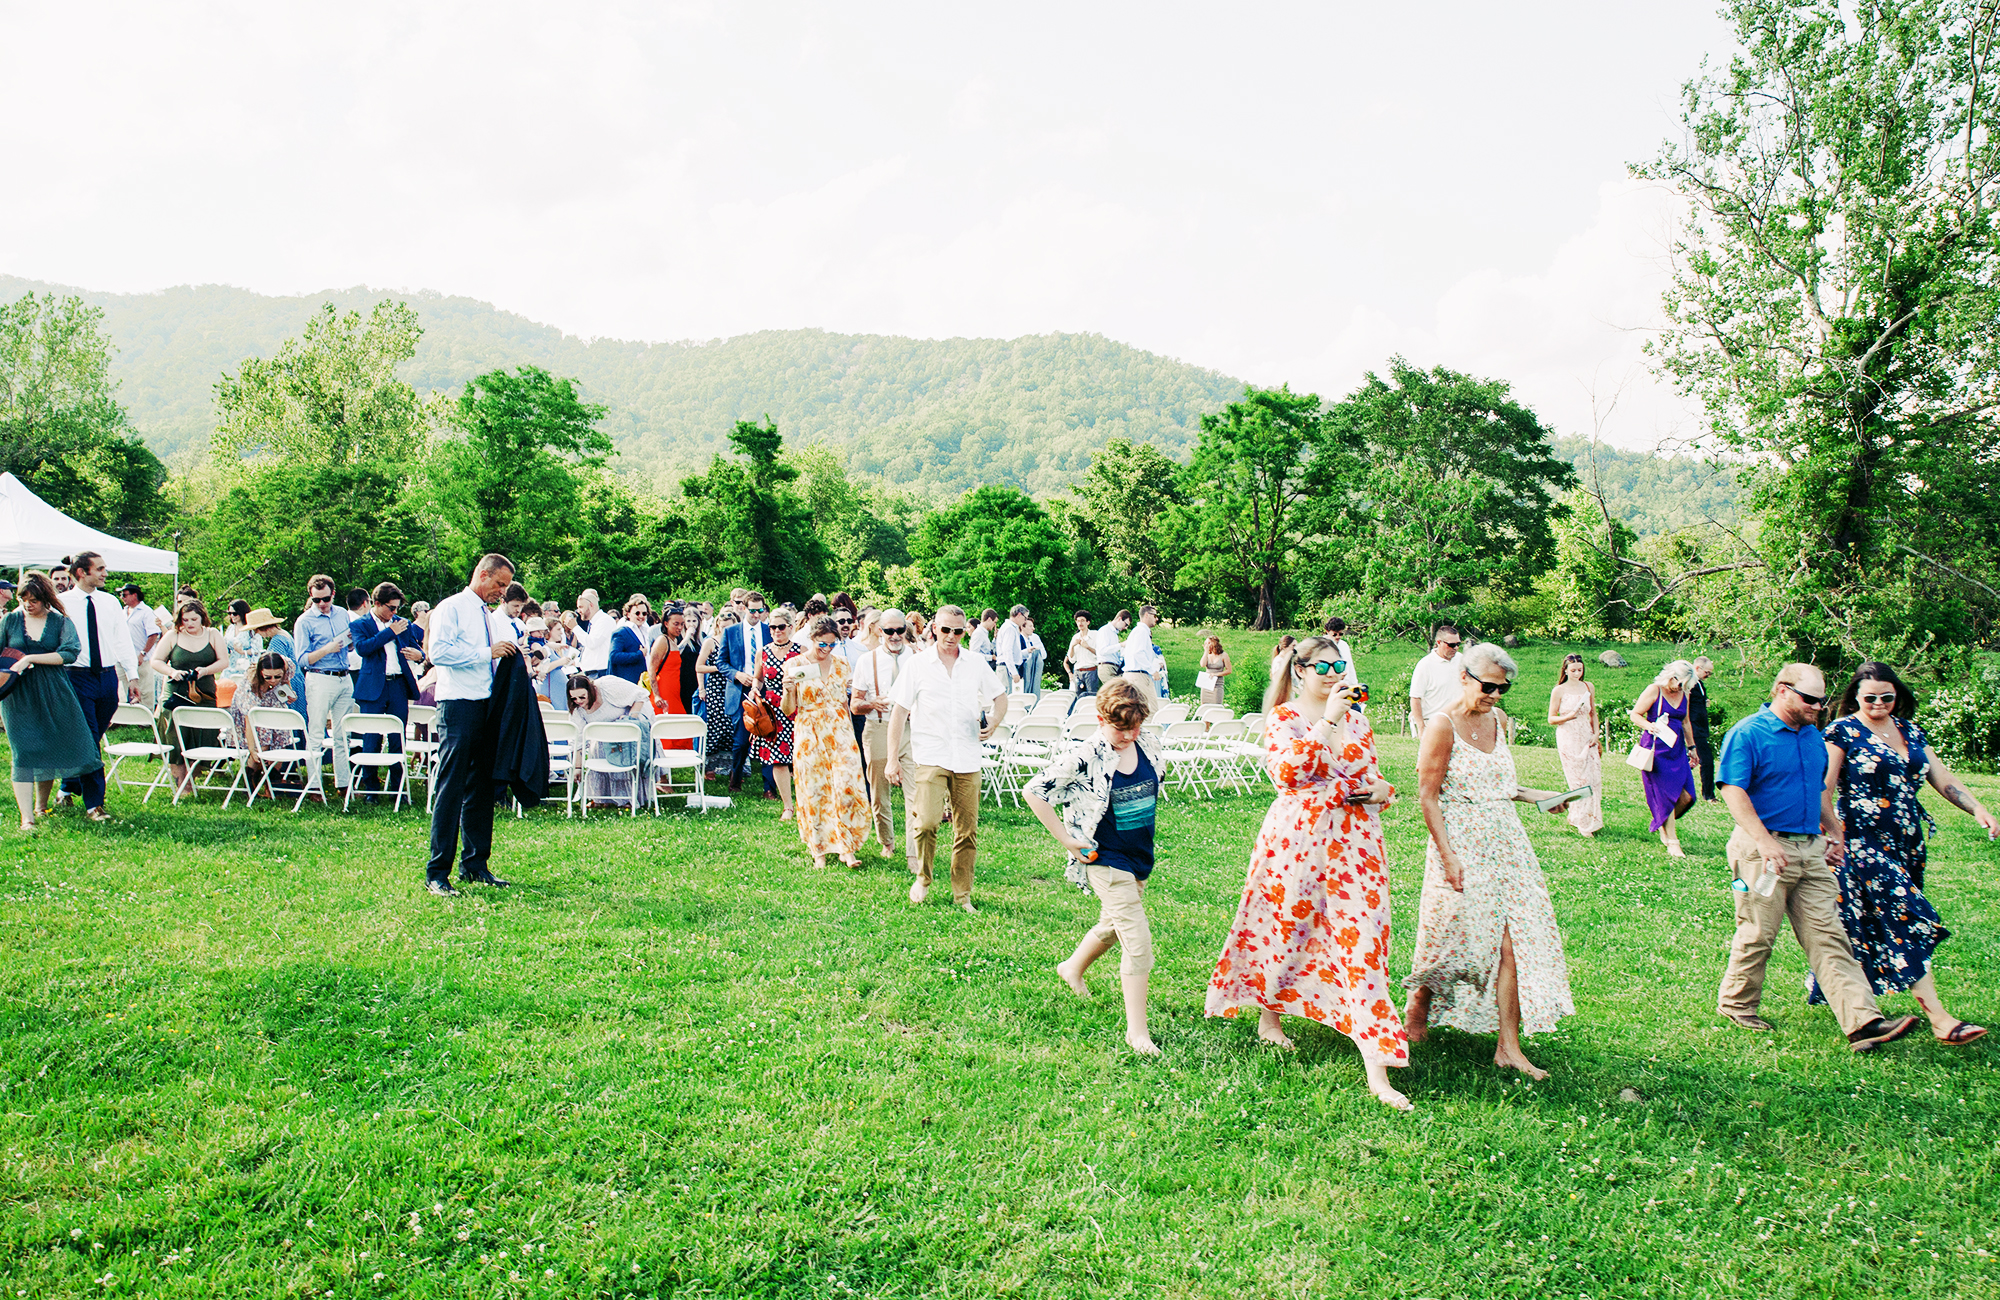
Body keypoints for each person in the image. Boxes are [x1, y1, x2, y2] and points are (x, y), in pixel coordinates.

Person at [1205, 638, 1406, 1104]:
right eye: (1324, 666)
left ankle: (1377, 1068)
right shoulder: (1285, 717)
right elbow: (1287, 774)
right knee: (1287, 929)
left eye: (1340, 665)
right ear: (1300, 670)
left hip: (1355, 846)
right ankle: (1269, 1018)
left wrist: (1382, 790)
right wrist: (1328, 720)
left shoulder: (1358, 719)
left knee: (1364, 943)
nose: (1334, 674)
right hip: (1297, 843)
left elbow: (1370, 774)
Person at [1713, 663, 1920, 1050]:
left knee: (1830, 935)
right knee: (1758, 933)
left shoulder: (1811, 737)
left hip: (1810, 850)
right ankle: (1736, 1005)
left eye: (1822, 700)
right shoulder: (1749, 733)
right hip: (1762, 851)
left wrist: (1835, 833)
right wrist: (1765, 842)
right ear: (1782, 690)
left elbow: (1820, 791)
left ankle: (1863, 1022)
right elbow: (1732, 790)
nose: (1818, 707)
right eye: (1810, 699)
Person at [1403, 642, 1578, 1080]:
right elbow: (1427, 796)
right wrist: (1448, 856)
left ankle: (1508, 1048)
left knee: (1513, 942)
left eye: (1503, 689)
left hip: (1508, 845)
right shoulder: (1441, 725)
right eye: (1488, 687)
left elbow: (1503, 785)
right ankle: (1418, 1002)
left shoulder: (1498, 720)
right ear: (1464, 677)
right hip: (1460, 843)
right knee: (1449, 934)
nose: (1495, 696)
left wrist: (1541, 796)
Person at [1820, 663, 1997, 1044]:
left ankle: (1851, 1002)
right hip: (1860, 843)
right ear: (1855, 697)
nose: (1879, 703)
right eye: (1870, 697)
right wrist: (1833, 834)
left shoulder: (1910, 730)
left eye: (1887, 696)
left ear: (1897, 695)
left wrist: (1977, 808)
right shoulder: (1841, 732)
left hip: (1906, 844)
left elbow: (1942, 778)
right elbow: (1824, 789)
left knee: (1866, 922)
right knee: (1906, 917)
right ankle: (1940, 1019)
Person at [1025, 678, 1170, 1057]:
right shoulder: (1086, 754)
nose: (1130, 735)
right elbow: (1035, 791)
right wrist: (1066, 839)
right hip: (1105, 859)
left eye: (1136, 726)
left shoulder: (1147, 744)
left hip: (1139, 857)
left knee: (1111, 926)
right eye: (1121, 728)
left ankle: (1072, 967)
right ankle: (1137, 1033)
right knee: (1137, 943)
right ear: (1101, 718)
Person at [886, 604, 1009, 913]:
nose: (951, 636)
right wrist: (892, 759)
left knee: (967, 831)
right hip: (931, 754)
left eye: (957, 631)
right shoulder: (917, 665)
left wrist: (994, 721)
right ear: (934, 629)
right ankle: (923, 877)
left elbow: (1000, 696)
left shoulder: (976, 663)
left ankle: (962, 894)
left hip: (967, 756)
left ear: (964, 632)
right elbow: (899, 712)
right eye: (945, 630)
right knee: (926, 822)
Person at [425, 554, 521, 897]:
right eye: (499, 584)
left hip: (485, 705)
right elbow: (438, 653)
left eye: (505, 586)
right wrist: (486, 652)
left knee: (481, 788)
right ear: (482, 574)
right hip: (458, 705)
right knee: (451, 787)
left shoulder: (488, 615)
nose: (502, 591)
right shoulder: (451, 608)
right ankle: (437, 872)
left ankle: (475, 864)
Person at [3, 573, 102, 831]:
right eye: (23, 599)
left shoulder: (60, 621)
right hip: (17, 695)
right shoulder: (10, 620)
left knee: (46, 746)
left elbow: (69, 653)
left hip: (53, 691)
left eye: (33, 600)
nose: (28, 604)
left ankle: (41, 806)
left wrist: (31, 658)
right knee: (23, 752)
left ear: (45, 598)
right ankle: (27, 818)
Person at [783, 615, 871, 869]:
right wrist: (788, 690)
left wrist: (851, 736)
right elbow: (788, 709)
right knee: (815, 789)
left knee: (846, 786)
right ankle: (818, 849)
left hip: (840, 731)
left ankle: (846, 846)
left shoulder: (842, 664)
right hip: (809, 732)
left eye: (832, 644)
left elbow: (844, 702)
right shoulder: (795, 665)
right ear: (812, 638)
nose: (827, 649)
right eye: (822, 644)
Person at [55, 552, 136, 820]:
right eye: (100, 569)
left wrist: (132, 676)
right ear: (81, 572)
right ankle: (94, 804)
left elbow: (122, 639)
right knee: (89, 738)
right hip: (76, 677)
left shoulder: (110, 602)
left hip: (107, 677)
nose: (105, 574)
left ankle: (67, 786)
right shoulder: (61, 603)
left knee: (91, 738)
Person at [853, 608, 915, 863]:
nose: (895, 635)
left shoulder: (917, 657)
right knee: (879, 793)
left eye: (899, 630)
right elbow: (855, 705)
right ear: (880, 631)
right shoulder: (867, 661)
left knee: (915, 793)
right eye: (889, 631)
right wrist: (871, 704)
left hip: (911, 731)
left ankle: (913, 852)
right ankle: (887, 841)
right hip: (878, 727)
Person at [351, 582, 423, 798]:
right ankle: (371, 789)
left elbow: (417, 648)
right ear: (377, 603)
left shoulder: (402, 623)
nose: (394, 612)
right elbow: (363, 648)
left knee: (397, 737)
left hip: (398, 684)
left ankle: (397, 788)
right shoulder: (360, 624)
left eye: (397, 608)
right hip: (373, 686)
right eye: (391, 608)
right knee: (371, 737)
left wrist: (420, 656)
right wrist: (389, 632)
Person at [151, 599, 228, 797]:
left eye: (194, 619)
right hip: (176, 691)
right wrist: (172, 671)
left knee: (202, 732)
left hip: (204, 692)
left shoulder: (213, 634)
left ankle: (191, 778)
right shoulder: (173, 635)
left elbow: (224, 661)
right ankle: (181, 783)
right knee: (176, 735)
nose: (190, 623)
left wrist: (205, 670)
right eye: (185, 620)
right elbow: (156, 661)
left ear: (202, 618)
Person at [294, 574, 357, 800]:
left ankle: (344, 784)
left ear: (333, 594)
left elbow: (350, 647)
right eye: (316, 600)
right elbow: (301, 659)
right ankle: (314, 786)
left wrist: (350, 642)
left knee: (343, 734)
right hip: (319, 677)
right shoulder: (304, 621)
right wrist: (326, 649)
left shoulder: (342, 614)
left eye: (325, 599)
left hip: (344, 675)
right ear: (310, 597)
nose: (321, 604)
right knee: (316, 733)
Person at [1631, 660, 1699, 856]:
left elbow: (1685, 722)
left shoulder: (1684, 693)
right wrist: (1648, 726)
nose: (1681, 689)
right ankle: (1673, 841)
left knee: (1688, 797)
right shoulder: (1654, 690)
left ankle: (1662, 822)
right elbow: (1635, 714)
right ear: (1672, 677)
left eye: (1686, 686)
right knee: (1665, 795)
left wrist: (1692, 747)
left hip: (1676, 750)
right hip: (1657, 750)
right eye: (1681, 684)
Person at [565, 674, 651, 810]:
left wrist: (630, 719)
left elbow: (640, 695)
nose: (578, 701)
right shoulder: (577, 710)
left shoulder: (608, 686)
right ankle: (602, 797)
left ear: (590, 690)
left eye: (582, 697)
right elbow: (578, 740)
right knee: (596, 749)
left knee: (622, 758)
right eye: (574, 698)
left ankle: (627, 798)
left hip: (627, 733)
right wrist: (578, 767)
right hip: (602, 737)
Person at [723, 592, 776, 795]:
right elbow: (721, 662)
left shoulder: (769, 631)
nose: (756, 614)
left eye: (760, 610)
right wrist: (736, 674)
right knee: (741, 740)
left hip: (765, 688)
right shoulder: (731, 632)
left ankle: (769, 787)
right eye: (752, 610)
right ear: (744, 608)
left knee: (768, 735)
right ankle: (735, 780)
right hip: (740, 689)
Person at [751, 609, 802, 818]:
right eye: (772, 627)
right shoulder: (763, 652)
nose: (776, 631)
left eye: (781, 627)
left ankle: (805, 803)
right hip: (773, 710)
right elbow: (758, 678)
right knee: (778, 759)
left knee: (801, 758)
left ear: (790, 627)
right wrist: (755, 689)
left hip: (797, 706)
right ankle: (788, 806)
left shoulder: (801, 650)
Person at [230, 652, 305, 794]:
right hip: (254, 708)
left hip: (273, 700)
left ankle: (273, 784)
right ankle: (250, 784)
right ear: (260, 673)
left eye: (277, 676)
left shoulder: (287, 665)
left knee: (279, 740)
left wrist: (287, 692)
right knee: (262, 744)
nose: (273, 680)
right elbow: (249, 720)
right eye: (268, 677)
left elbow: (285, 682)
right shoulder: (250, 687)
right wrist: (252, 749)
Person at [1547, 654, 1604, 836]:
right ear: (1565, 670)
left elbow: (1593, 712)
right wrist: (1568, 716)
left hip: (1586, 734)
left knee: (1593, 778)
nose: (1577, 673)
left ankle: (1586, 818)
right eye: (1573, 670)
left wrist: (1596, 733)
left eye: (1580, 670)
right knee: (1579, 780)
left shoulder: (1588, 687)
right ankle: (1583, 823)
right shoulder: (1559, 690)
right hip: (1568, 736)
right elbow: (1551, 718)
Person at [646, 605, 698, 748]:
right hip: (664, 690)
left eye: (682, 624)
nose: (680, 627)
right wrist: (657, 695)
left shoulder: (672, 640)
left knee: (677, 725)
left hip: (673, 690)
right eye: (676, 624)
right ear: (666, 623)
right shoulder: (662, 640)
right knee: (669, 726)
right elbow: (652, 668)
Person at [698, 609, 737, 776]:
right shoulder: (711, 642)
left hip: (733, 686)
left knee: (732, 727)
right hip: (716, 687)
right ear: (718, 626)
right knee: (717, 726)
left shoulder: (736, 642)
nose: (726, 630)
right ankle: (710, 767)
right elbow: (699, 666)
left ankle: (732, 767)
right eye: (723, 627)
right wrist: (719, 668)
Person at [1406, 624, 1463, 737]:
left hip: (1459, 722)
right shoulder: (1425, 665)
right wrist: (1421, 727)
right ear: (1439, 642)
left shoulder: (1462, 660)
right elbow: (1415, 698)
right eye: (1451, 645)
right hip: (1434, 723)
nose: (1456, 648)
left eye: (1458, 644)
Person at [246, 608, 305, 709]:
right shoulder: (283, 634)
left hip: (288, 682)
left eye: (256, 631)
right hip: (297, 679)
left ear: (263, 628)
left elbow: (275, 668)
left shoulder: (277, 641)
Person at [121, 583, 163, 705]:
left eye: (124, 595)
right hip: (124, 657)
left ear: (134, 595)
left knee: (144, 691)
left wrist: (143, 653)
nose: (122, 598)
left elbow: (153, 634)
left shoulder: (146, 612)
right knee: (124, 689)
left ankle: (146, 714)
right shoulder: (123, 611)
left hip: (142, 658)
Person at [1121, 606, 1166, 705]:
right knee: (1151, 708)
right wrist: (1153, 671)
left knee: (1135, 710)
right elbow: (1138, 653)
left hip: (1133, 675)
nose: (1156, 619)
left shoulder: (1138, 631)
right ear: (1146, 615)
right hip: (1138, 676)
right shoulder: (1141, 631)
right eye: (1154, 615)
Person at [1691, 656, 1718, 801]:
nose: (1708, 675)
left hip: (1700, 728)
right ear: (1697, 668)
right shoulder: (1690, 684)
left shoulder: (1700, 684)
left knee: (1697, 760)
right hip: (1693, 728)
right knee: (1706, 761)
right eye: (1707, 672)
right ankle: (1708, 795)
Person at [573, 590, 615, 679]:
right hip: (592, 672)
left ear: (591, 605)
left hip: (600, 672)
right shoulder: (594, 622)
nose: (578, 611)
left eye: (581, 607)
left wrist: (575, 627)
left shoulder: (604, 620)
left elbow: (592, 643)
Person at [607, 596, 649, 684]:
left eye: (644, 613)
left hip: (644, 681)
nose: (641, 616)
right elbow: (614, 656)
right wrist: (638, 655)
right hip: (628, 682)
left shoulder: (646, 631)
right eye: (637, 613)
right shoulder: (621, 632)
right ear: (628, 614)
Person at [219, 597, 259, 685]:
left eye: (235, 613)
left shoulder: (251, 630)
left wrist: (242, 652)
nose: (232, 616)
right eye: (229, 613)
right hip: (230, 666)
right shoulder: (230, 628)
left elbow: (257, 650)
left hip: (246, 666)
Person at [995, 604, 1031, 696]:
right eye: (1025, 618)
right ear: (1019, 615)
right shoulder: (1010, 628)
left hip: (1006, 667)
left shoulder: (1011, 628)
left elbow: (1013, 652)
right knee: (1005, 698)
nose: (1025, 621)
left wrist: (1026, 652)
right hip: (1006, 668)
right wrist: (1014, 672)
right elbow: (1007, 651)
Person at [1065, 612, 1099, 699]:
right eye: (1078, 621)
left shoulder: (1095, 635)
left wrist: (1087, 647)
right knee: (1078, 698)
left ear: (1088, 622)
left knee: (1091, 697)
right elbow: (1071, 659)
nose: (1080, 623)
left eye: (1083, 620)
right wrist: (1072, 646)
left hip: (1091, 671)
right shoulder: (1075, 637)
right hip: (1077, 672)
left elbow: (1100, 654)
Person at [1322, 617, 1360, 687]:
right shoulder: (1321, 645)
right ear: (1327, 631)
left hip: (1345, 683)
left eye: (1340, 634)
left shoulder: (1344, 645)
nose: (1338, 637)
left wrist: (1354, 684)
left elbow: (1350, 666)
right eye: (1334, 634)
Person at [1196, 635, 1232, 707]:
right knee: (1204, 705)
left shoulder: (1223, 655)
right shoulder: (1207, 655)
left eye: (1208, 643)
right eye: (1205, 643)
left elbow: (1229, 670)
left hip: (1217, 685)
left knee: (1216, 705)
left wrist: (1216, 674)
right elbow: (1202, 664)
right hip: (1207, 684)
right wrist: (1206, 651)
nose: (1207, 645)